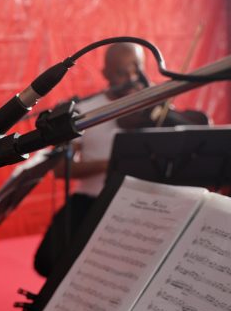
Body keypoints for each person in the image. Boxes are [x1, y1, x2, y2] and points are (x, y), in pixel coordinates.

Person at [33, 42, 146, 276]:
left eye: (137, 70)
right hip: (92, 199)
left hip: (140, 203)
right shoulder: (85, 111)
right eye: (121, 72)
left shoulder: (152, 104)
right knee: (47, 259)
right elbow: (62, 168)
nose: (131, 78)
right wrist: (112, 163)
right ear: (106, 74)